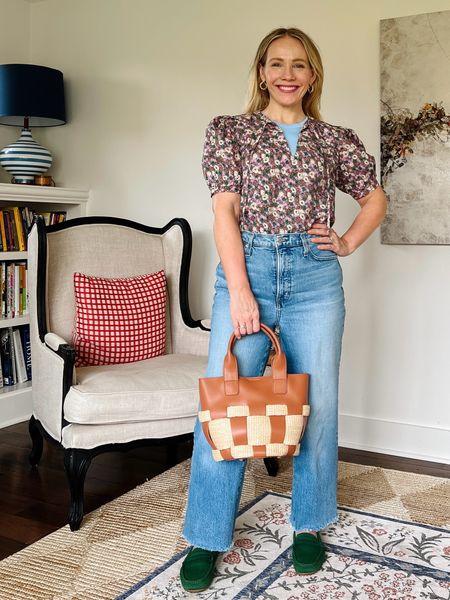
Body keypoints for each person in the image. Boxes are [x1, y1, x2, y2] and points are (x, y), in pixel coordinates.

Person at [179, 26, 388, 593]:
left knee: (317, 402)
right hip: (248, 270)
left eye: (299, 64)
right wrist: (242, 293)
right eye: (277, 63)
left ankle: (310, 524)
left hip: (315, 277)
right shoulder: (230, 131)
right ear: (261, 71)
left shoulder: (334, 138)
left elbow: (375, 197)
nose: (287, 73)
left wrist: (344, 242)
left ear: (312, 75)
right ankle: (205, 535)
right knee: (225, 400)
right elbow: (225, 213)